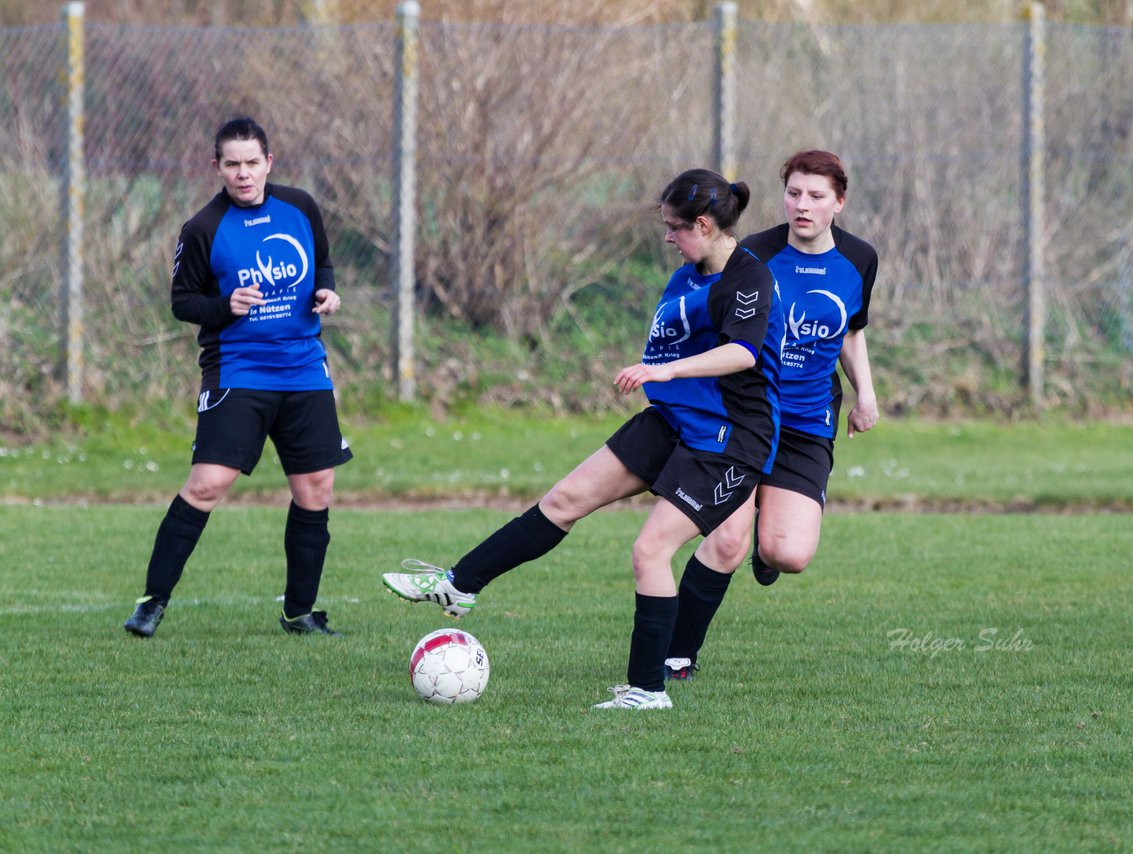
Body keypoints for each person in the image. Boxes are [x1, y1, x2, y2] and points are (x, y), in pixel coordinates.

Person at [381, 168, 782, 709]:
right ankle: (461, 583)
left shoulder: (748, 277)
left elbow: (744, 353)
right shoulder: (689, 272)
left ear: (704, 225)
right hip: (674, 421)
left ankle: (647, 691)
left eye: (674, 228)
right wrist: (664, 380)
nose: (667, 237)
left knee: (650, 550)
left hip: (729, 440)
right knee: (564, 500)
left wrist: (664, 372)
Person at [123, 116, 353, 639]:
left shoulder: (301, 207)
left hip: (303, 369)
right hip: (238, 371)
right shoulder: (203, 227)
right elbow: (183, 303)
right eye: (233, 164)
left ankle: (300, 613)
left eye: (253, 163)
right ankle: (151, 602)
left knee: (316, 487)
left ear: (269, 162)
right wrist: (225, 306)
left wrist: (327, 293)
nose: (244, 174)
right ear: (217, 167)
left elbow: (324, 267)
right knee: (207, 484)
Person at [663, 149, 879, 680]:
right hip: (746, 418)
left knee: (788, 554)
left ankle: (769, 530)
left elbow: (850, 329)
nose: (802, 205)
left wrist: (865, 394)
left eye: (816, 196)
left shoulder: (860, 259)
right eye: (794, 192)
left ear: (840, 202)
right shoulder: (750, 255)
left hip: (807, 422)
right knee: (726, 541)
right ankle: (677, 657)